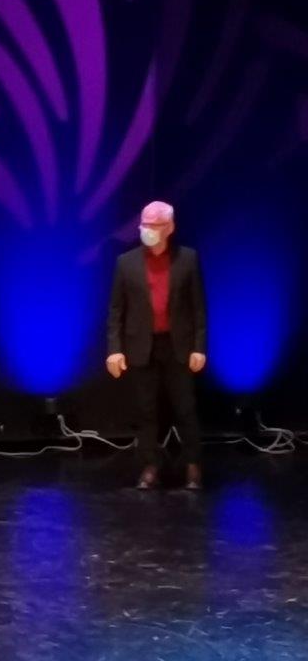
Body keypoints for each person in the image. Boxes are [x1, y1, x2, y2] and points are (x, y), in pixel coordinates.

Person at [106, 201, 207, 490]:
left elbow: (198, 307)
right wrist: (114, 349)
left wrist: (199, 347)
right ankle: (150, 466)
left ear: (169, 227)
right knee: (146, 410)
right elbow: (116, 310)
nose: (147, 230)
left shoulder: (187, 259)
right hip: (142, 345)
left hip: (177, 345)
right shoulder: (126, 263)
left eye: (154, 225)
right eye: (144, 224)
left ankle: (193, 466)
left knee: (185, 408)